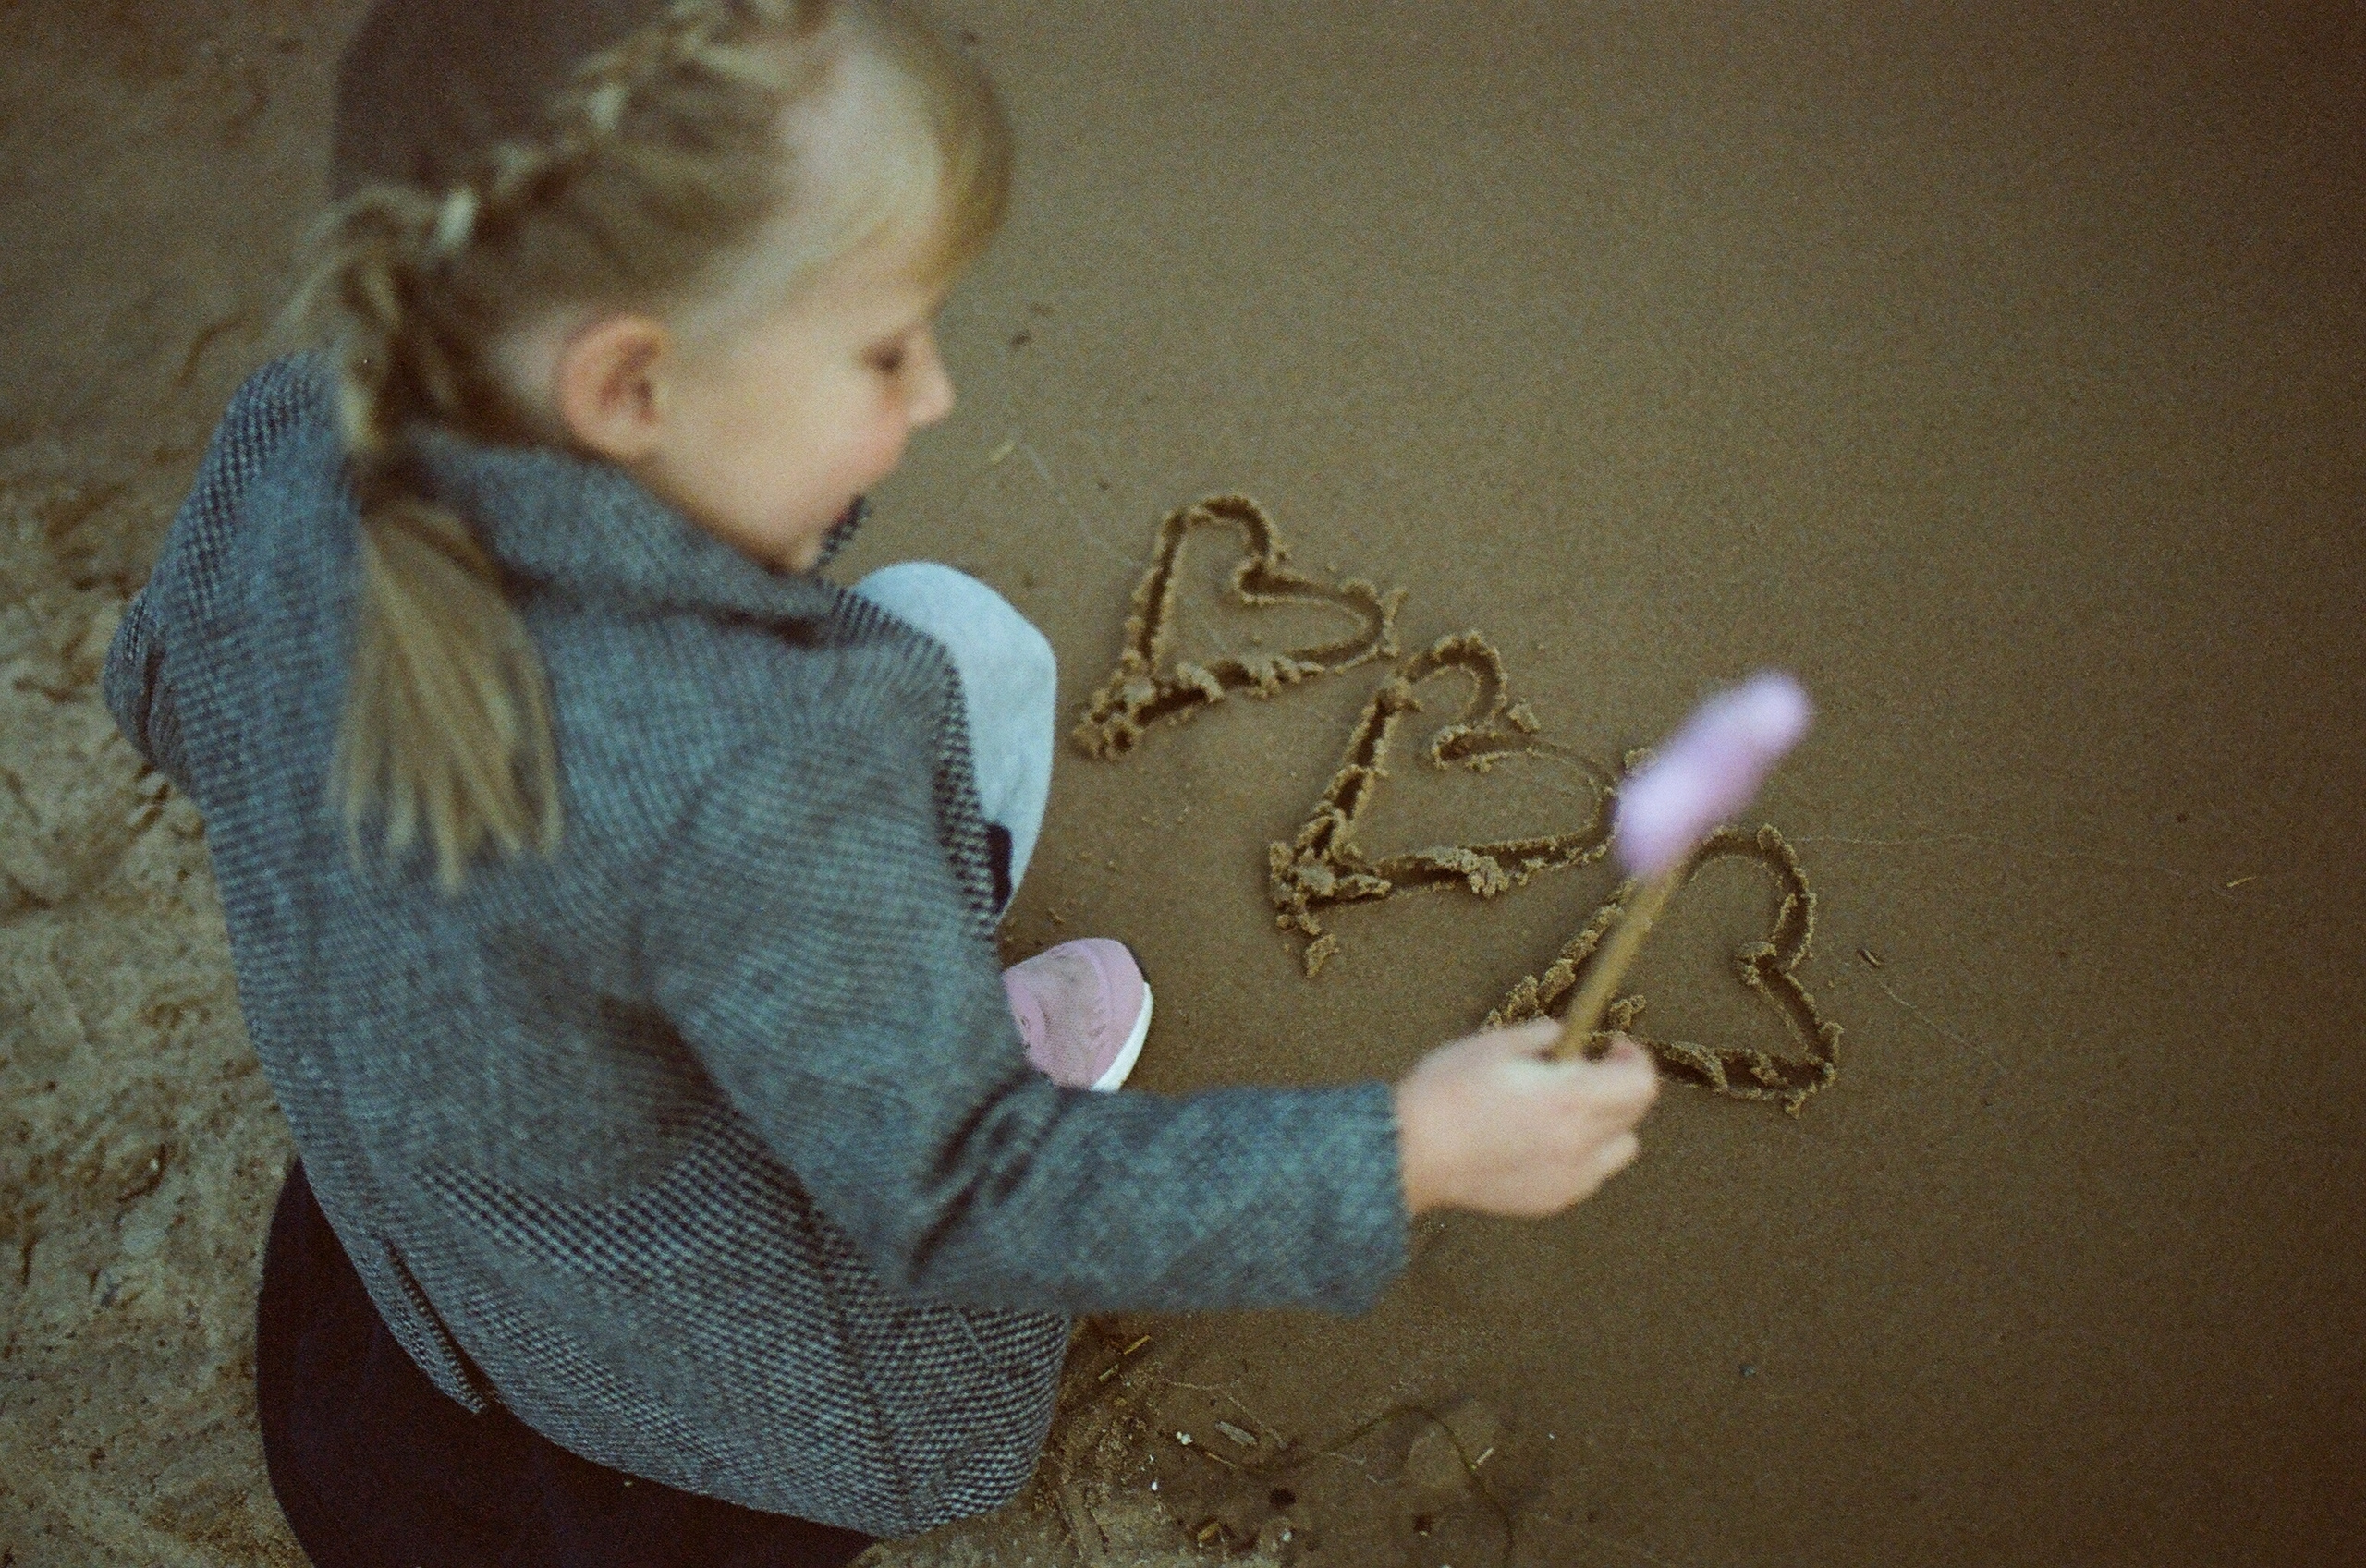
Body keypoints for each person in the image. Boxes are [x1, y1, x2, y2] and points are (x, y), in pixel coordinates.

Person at [103, 2, 1661, 1562]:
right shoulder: (775, 753)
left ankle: (764, 1021)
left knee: (875, 712)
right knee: (974, 652)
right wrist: (1408, 1151)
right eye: (881, 350)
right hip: (714, 1399)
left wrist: (455, 921)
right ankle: (901, 1031)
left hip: (420, 1256)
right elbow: (970, 1203)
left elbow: (156, 697)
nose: (935, 401)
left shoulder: (291, 439)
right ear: (630, 387)